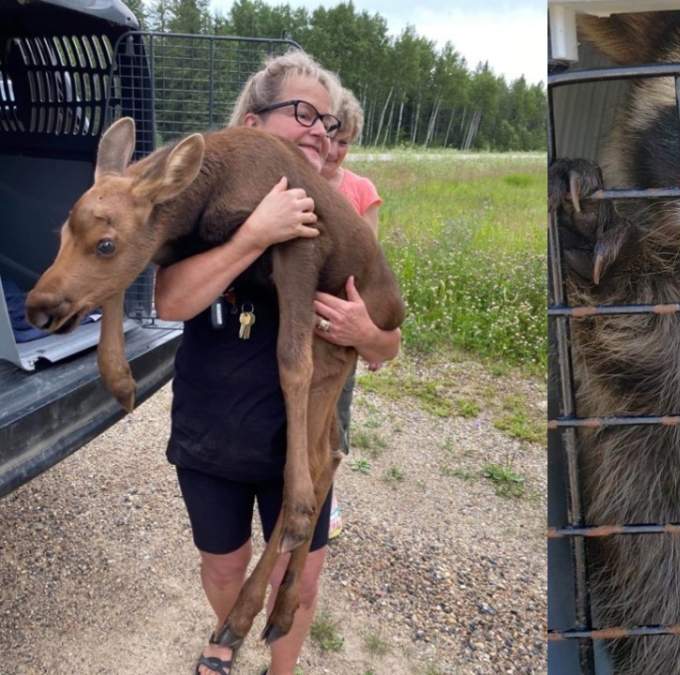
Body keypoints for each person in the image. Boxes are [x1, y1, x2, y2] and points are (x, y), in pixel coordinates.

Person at [154, 50, 400, 675]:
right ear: (253, 126)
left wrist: (366, 333)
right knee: (223, 565)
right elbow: (170, 302)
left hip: (304, 442)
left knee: (303, 574)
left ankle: (281, 670)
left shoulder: (346, 223)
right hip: (213, 429)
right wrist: (255, 235)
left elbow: (387, 345)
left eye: (329, 120)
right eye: (303, 113)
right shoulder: (208, 209)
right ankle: (225, 636)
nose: (321, 129)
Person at [316, 89, 384, 540]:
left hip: (342, 323)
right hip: (301, 317)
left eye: (347, 142)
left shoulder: (362, 191)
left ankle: (326, 490)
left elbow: (373, 266)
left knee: (336, 409)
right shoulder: (294, 181)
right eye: (332, 138)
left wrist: (372, 332)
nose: (337, 151)